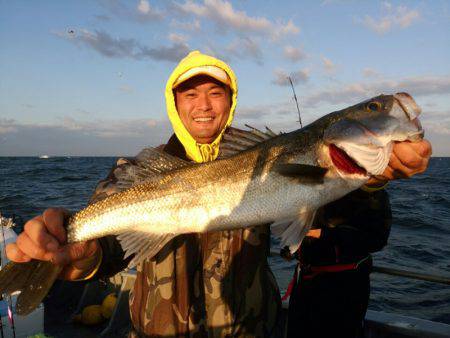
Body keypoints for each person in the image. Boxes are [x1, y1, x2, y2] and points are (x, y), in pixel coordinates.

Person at [6, 50, 432, 337]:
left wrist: (372, 182)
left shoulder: (292, 155)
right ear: (174, 104)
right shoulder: (136, 169)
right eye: (190, 94)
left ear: (231, 101)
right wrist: (81, 255)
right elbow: (112, 251)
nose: (204, 105)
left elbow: (363, 233)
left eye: (216, 92)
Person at [285, 141, 431, 338]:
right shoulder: (315, 193)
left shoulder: (373, 196)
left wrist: (323, 234)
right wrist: (290, 247)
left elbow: (376, 239)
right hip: (305, 282)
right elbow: (298, 229)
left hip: (344, 286)